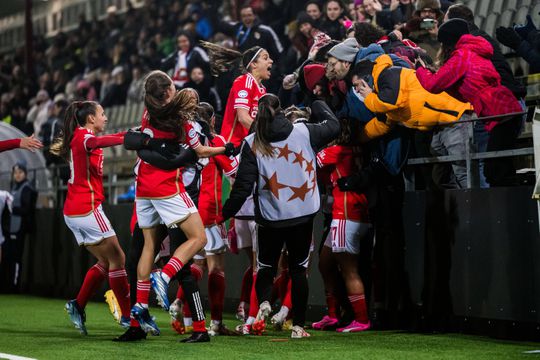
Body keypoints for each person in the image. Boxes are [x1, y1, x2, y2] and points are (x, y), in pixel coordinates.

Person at [221, 95, 340, 339]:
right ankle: (298, 326)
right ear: (282, 110)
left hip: (270, 217)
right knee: (298, 270)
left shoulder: (252, 142)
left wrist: (223, 215)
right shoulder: (303, 131)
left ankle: (264, 302)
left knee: (265, 267)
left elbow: (243, 187)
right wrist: (317, 101)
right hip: (303, 214)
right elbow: (334, 126)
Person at [132, 71, 231, 343]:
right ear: (167, 93)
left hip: (143, 189)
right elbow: (198, 151)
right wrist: (225, 149)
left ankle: (140, 307)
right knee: (197, 241)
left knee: (147, 248)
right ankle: (164, 278)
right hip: (170, 190)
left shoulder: (147, 114)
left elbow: (139, 141)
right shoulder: (182, 122)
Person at [49, 101, 129, 336]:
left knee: (106, 262)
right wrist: (125, 137)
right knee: (119, 258)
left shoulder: (79, 137)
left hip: (74, 212)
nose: (105, 118)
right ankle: (128, 317)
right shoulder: (84, 136)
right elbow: (95, 142)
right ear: (91, 119)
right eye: (102, 114)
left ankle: (77, 305)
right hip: (87, 208)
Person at [416, 19, 524, 186]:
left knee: (494, 170)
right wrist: (434, 73)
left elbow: (433, 85)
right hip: (505, 110)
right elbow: (461, 90)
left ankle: (510, 208)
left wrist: (420, 70)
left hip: (501, 112)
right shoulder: (471, 51)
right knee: (501, 167)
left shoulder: (461, 56)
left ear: (449, 42)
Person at [314, 118, 372, 333]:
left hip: (344, 213)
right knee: (325, 263)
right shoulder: (357, 149)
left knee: (349, 270)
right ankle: (332, 315)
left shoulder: (335, 150)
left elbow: (308, 163)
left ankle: (362, 319)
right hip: (358, 210)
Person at [1, 162, 37, 292]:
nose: (17, 175)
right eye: (15, 173)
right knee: (9, 257)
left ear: (25, 173)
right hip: (11, 228)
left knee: (16, 258)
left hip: (20, 228)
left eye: (20, 172)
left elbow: (26, 209)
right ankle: (7, 284)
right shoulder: (14, 187)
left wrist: (11, 208)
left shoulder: (27, 188)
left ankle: (14, 286)